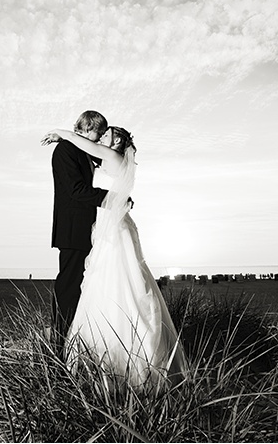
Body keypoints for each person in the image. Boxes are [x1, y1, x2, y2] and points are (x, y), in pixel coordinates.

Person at [41, 125, 187, 390]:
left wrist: (59, 133)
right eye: (101, 134)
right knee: (120, 279)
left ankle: (110, 349)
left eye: (106, 135)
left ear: (116, 140)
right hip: (113, 222)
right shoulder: (112, 158)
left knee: (113, 278)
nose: (101, 138)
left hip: (112, 224)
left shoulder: (108, 156)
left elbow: (78, 140)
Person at [43, 110, 110, 351]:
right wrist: (110, 198)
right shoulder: (65, 151)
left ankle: (77, 337)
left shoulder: (82, 150)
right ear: (87, 127)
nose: (101, 138)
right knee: (68, 286)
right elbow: (75, 190)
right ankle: (59, 340)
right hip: (72, 228)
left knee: (81, 285)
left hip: (85, 227)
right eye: (99, 133)